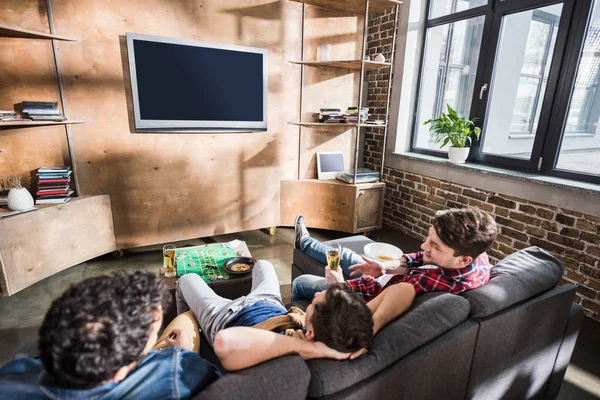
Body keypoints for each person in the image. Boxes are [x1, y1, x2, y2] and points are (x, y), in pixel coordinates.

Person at [0, 271, 220, 400]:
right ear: (119, 372)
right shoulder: (176, 370)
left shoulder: (10, 375)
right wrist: (182, 351)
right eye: (152, 333)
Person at [292, 207, 498, 336]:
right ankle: (306, 242)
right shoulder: (478, 258)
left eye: (435, 246)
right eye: (428, 238)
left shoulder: (437, 284)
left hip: (368, 292)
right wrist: (384, 267)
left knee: (301, 282)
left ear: (464, 259)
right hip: (385, 277)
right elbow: (418, 258)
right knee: (345, 255)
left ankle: (299, 319)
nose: (424, 246)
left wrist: (338, 286)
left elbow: (366, 311)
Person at [176, 259, 374, 371]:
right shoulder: (337, 331)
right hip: (270, 302)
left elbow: (223, 342)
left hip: (226, 316)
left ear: (311, 334)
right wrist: (364, 337)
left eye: (314, 303)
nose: (314, 294)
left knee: (186, 279)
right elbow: (403, 291)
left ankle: (185, 332)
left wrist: (318, 350)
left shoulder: (286, 345)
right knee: (263, 264)